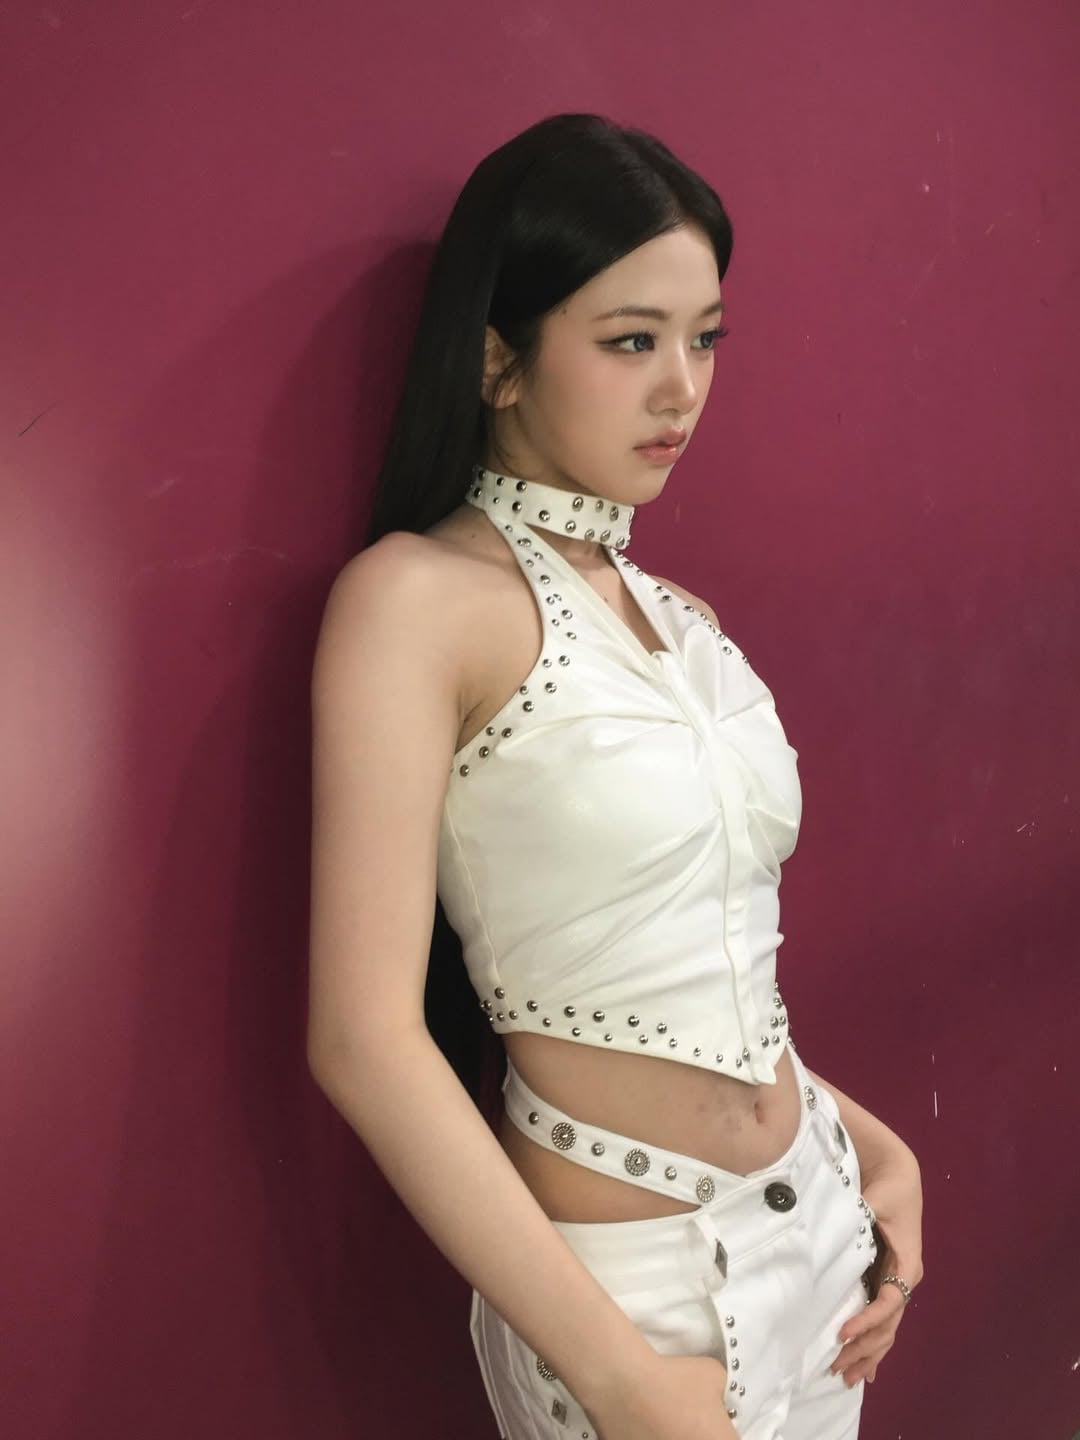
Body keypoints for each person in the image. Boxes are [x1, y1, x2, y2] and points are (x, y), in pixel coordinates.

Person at [306, 112, 924, 1440]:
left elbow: (692, 972)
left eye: (707, 339)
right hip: (635, 1303)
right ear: (499, 358)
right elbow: (362, 1039)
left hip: (824, 1231)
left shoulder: (683, 623)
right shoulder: (414, 603)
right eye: (632, 340)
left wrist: (880, 1148)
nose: (682, 389)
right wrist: (621, 1379)